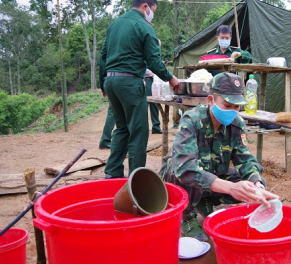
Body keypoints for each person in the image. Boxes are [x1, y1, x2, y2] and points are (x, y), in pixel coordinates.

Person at [159, 72, 278, 241]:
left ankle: (204, 199)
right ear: (210, 100)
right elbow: (185, 168)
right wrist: (230, 188)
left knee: (251, 182)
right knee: (183, 171)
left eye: (236, 107)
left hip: (213, 174)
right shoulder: (191, 120)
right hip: (179, 177)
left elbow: (246, 160)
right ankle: (186, 215)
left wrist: (257, 186)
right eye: (227, 105)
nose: (232, 111)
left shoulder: (236, 125)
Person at [101, 0, 180, 179]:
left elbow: (103, 56)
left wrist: (102, 83)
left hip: (111, 82)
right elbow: (154, 61)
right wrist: (171, 78)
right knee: (138, 132)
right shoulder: (144, 27)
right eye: (153, 10)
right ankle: (136, 179)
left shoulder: (115, 24)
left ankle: (112, 173)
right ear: (145, 6)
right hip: (130, 84)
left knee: (122, 128)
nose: (153, 13)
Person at [144, 69, 162, 134]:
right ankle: (144, 128)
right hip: (145, 79)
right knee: (144, 105)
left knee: (154, 103)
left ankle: (156, 127)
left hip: (153, 80)